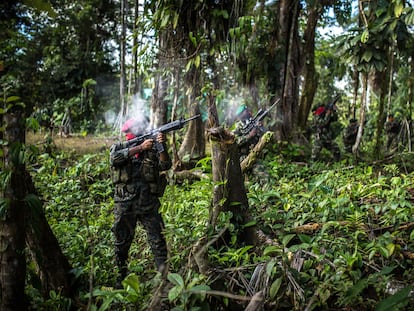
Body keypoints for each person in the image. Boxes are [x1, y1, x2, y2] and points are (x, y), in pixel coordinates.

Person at [109, 118, 172, 288]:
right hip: (124, 204)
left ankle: (165, 279)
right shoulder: (120, 147)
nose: (130, 135)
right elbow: (114, 158)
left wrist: (162, 146)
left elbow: (166, 164)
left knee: (158, 241)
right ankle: (120, 278)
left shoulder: (151, 150)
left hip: (148, 204)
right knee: (121, 242)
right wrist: (139, 147)